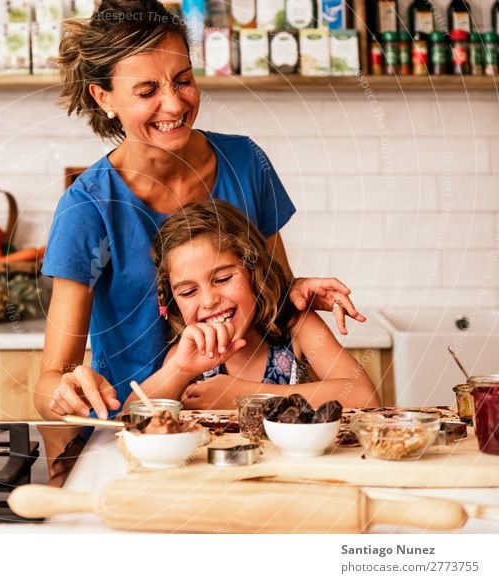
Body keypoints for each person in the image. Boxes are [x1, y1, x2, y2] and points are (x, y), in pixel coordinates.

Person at [35, 0, 365, 463]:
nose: (173, 104)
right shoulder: (87, 207)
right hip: (143, 436)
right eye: (147, 90)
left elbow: (271, 298)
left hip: (251, 433)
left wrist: (298, 289)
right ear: (103, 97)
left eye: (183, 81)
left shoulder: (247, 162)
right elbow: (52, 380)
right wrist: (66, 392)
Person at [126, 199, 380, 410]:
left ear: (253, 272)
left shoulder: (295, 326)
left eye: (223, 278)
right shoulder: (190, 354)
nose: (210, 300)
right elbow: (130, 418)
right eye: (189, 291)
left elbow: (364, 397)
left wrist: (242, 396)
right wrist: (180, 371)